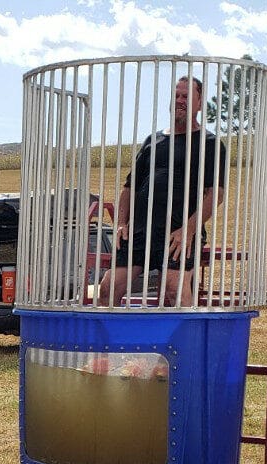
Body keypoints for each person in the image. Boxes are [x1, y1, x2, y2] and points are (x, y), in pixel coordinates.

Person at [98, 75, 227, 307]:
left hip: (177, 233)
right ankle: (112, 343)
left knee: (173, 290)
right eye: (176, 96)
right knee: (108, 288)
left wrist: (188, 229)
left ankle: (186, 342)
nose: (179, 100)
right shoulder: (153, 140)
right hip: (139, 231)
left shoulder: (209, 143)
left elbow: (215, 192)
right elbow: (130, 186)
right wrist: (121, 223)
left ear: (199, 103)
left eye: (186, 96)